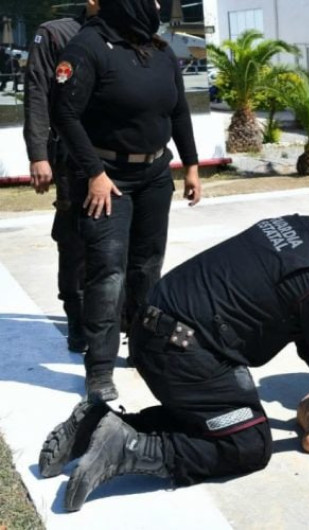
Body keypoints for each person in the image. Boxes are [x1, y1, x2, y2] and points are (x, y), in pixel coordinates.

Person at [38, 191, 309, 512]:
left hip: (153, 330)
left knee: (217, 417)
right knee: (248, 441)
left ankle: (94, 425)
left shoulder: (294, 226)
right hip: (185, 351)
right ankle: (128, 447)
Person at [53, 0, 202, 402]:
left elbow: (179, 111)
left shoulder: (160, 50)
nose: (155, 5)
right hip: (106, 179)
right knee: (107, 273)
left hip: (155, 175)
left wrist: (190, 164)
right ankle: (99, 370)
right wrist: (94, 174)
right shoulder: (88, 47)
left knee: (147, 267)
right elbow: (64, 115)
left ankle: (141, 349)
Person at [23, 1, 98, 353]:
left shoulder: (128, 35)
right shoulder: (56, 33)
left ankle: (119, 315)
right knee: (74, 241)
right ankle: (77, 318)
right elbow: (37, 90)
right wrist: (38, 153)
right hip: (70, 159)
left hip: (113, 157)